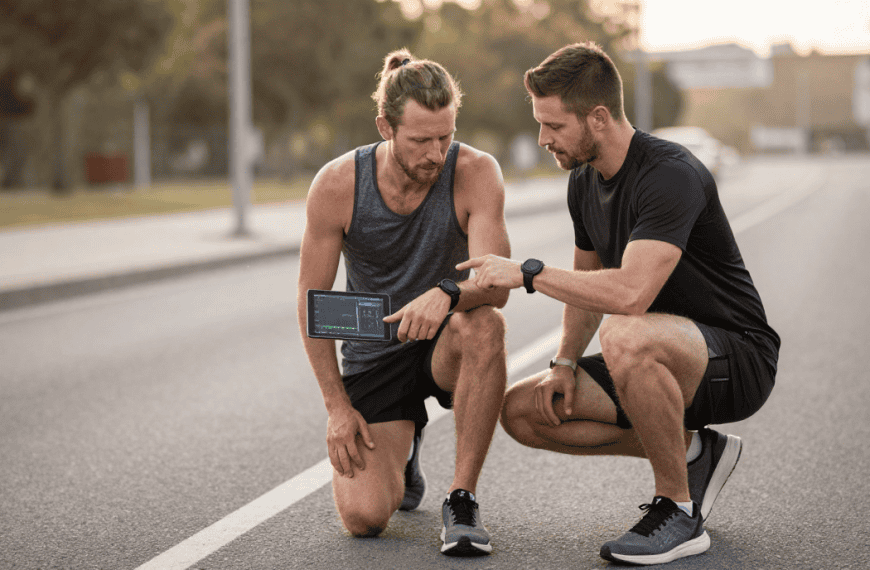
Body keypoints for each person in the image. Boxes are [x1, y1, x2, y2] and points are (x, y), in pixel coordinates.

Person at [458, 42, 780, 565]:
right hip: (658, 356)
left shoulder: (669, 173)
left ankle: (677, 509)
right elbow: (588, 287)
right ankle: (698, 452)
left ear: (599, 117)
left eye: (554, 126)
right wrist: (563, 363)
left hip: (735, 358)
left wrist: (528, 273)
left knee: (625, 331)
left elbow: (630, 293)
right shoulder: (583, 181)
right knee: (524, 411)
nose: (543, 139)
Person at [296, 48, 511, 557]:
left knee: (487, 326)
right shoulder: (337, 185)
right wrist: (337, 409)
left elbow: (497, 284)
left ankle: (461, 500)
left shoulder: (476, 173)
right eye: (420, 140)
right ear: (386, 127)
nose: (436, 153)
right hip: (376, 353)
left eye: (446, 136)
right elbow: (312, 303)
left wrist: (446, 293)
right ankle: (405, 449)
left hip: (446, 339)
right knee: (366, 518)